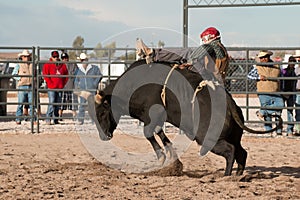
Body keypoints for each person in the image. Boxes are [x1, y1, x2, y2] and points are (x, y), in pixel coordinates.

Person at [135, 27, 229, 83]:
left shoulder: (211, 46)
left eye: (204, 39)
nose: (203, 41)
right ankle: (154, 54)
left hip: (208, 76)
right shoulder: (220, 47)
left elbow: (194, 56)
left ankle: (153, 54)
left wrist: (186, 63)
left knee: (187, 52)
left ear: (209, 37)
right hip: (213, 76)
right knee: (188, 53)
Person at [247, 50, 284, 136]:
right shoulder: (257, 67)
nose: (262, 59)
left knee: (280, 106)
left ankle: (262, 112)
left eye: (264, 57)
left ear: (268, 57)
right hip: (263, 92)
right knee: (269, 116)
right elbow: (249, 76)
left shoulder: (276, 66)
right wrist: (258, 77)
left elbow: (281, 77)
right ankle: (269, 131)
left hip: (276, 91)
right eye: (261, 58)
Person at [74, 53, 102, 125]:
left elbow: (100, 75)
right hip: (83, 90)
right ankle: (80, 120)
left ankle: (94, 120)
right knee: (82, 105)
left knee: (92, 106)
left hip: (92, 90)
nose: (83, 61)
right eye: (82, 60)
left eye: (84, 60)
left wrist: (94, 84)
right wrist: (77, 86)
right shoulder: (79, 70)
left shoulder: (94, 68)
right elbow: (76, 79)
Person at [42, 51, 68, 125]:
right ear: (51, 57)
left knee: (57, 103)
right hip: (51, 87)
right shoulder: (47, 65)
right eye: (54, 57)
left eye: (57, 56)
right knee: (52, 102)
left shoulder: (62, 65)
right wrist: (50, 83)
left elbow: (66, 75)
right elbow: (45, 75)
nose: (56, 58)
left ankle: (55, 119)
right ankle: (48, 118)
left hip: (59, 87)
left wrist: (62, 84)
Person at [12, 50, 36, 124]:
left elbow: (36, 74)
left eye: (28, 56)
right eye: (25, 56)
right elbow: (14, 74)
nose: (27, 58)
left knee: (32, 104)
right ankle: (18, 119)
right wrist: (20, 79)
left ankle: (33, 119)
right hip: (22, 86)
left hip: (31, 86)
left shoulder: (32, 64)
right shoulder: (19, 65)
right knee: (20, 103)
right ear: (22, 57)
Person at [59, 52, 79, 121]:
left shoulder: (73, 64)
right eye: (63, 58)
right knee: (61, 103)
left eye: (66, 58)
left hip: (72, 86)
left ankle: (74, 116)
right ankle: (60, 116)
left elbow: (77, 73)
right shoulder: (60, 65)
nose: (65, 59)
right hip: (63, 87)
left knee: (73, 104)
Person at [281, 56, 297, 136]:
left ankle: (290, 130)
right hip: (283, 92)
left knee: (290, 111)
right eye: (291, 61)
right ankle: (278, 129)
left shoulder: (295, 71)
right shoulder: (284, 71)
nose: (292, 63)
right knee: (278, 110)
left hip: (291, 93)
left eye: (293, 61)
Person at [293, 50, 300, 136]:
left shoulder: (297, 68)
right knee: (298, 111)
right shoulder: (297, 68)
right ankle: (298, 129)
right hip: (298, 90)